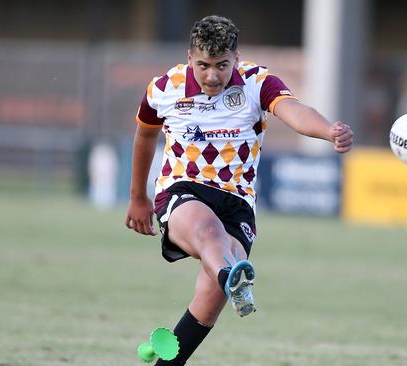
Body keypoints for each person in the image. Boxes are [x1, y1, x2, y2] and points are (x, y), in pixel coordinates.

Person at [125, 15, 353, 365]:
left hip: (237, 203)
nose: (212, 75)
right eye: (202, 65)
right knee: (208, 232)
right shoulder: (164, 88)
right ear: (189, 57)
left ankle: (224, 283)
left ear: (236, 57)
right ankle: (231, 276)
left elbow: (293, 111)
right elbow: (144, 135)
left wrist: (328, 131)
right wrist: (137, 196)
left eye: (221, 65)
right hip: (183, 189)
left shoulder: (256, 82)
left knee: (206, 307)